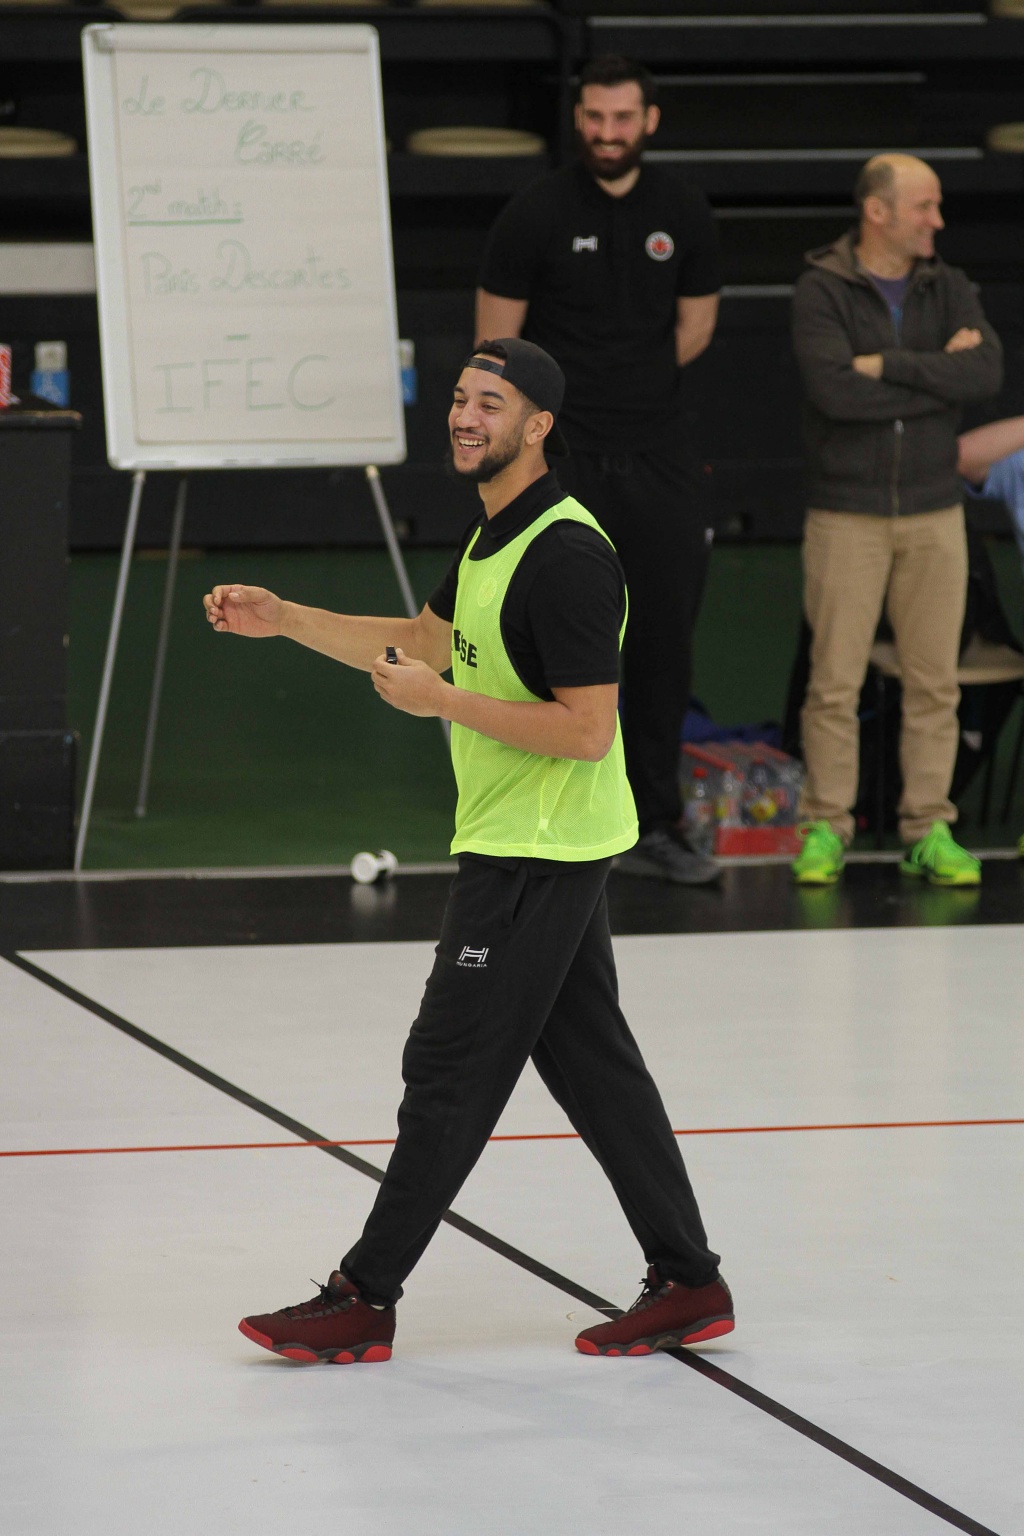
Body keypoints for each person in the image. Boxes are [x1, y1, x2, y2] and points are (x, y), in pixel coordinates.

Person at [204, 338, 733, 1364]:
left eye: (490, 402)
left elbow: (588, 729)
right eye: (458, 396)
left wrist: (443, 704)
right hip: (529, 840)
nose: (464, 415)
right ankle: (689, 1279)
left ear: (538, 426)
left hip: (536, 853)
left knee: (448, 1066)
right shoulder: (494, 536)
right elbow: (423, 643)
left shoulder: (567, 556)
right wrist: (287, 619)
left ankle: (363, 1296)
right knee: (594, 1067)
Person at [476, 55, 722, 886]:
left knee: (661, 640)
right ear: (576, 118)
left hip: (658, 457)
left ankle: (654, 822)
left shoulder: (683, 210)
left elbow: (695, 328)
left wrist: (630, 389)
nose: (608, 134)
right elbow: (497, 350)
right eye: (594, 118)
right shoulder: (535, 212)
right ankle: (547, 823)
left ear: (649, 121)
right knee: (549, 643)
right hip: (562, 461)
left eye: (623, 119)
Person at [790, 153, 1003, 887]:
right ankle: (826, 826)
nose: (937, 221)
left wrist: (884, 364)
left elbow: (986, 373)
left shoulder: (950, 284)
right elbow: (834, 393)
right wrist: (936, 373)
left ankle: (928, 829)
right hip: (845, 513)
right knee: (834, 683)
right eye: (924, 207)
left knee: (935, 683)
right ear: (877, 212)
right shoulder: (821, 288)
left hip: (935, 511)